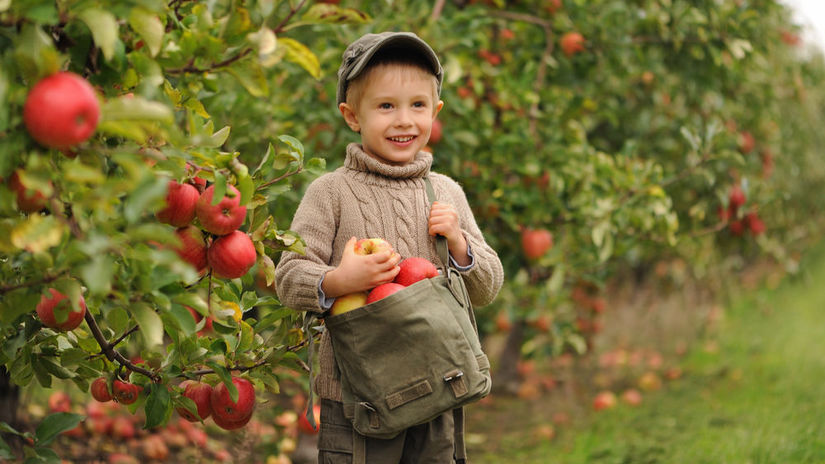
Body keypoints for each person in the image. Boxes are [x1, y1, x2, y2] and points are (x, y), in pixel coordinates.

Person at [275, 31, 504, 463]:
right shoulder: (331, 194)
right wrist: (339, 281)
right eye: (385, 106)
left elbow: (487, 287)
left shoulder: (445, 193)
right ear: (351, 115)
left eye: (417, 105)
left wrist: (459, 244)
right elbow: (287, 277)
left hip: (441, 386)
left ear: (435, 112)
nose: (404, 120)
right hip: (359, 399)